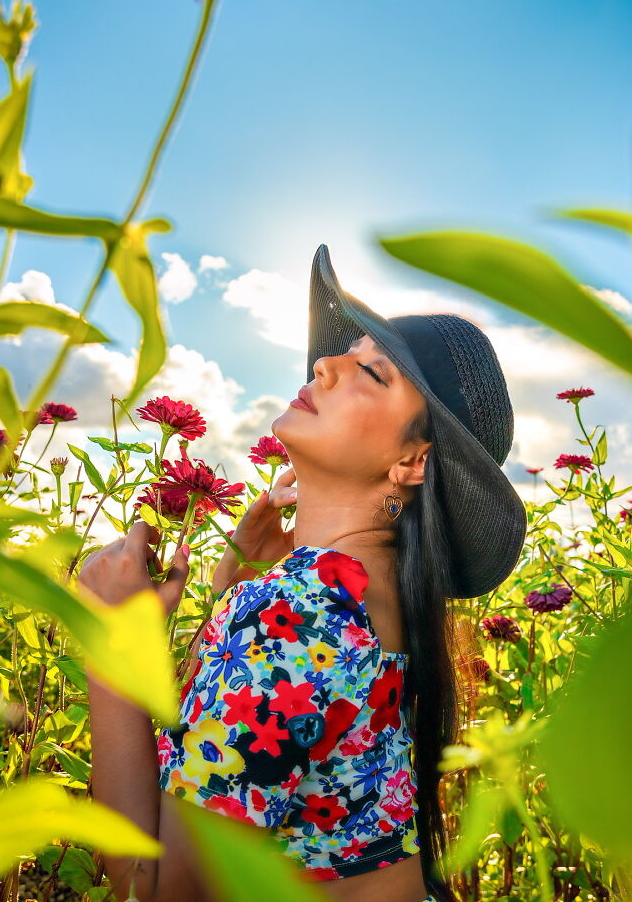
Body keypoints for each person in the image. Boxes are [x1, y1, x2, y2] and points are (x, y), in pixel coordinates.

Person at [78, 243, 527, 902]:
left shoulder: (302, 609)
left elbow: (153, 888)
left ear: (414, 461)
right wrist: (235, 588)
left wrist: (112, 644)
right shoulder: (367, 602)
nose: (324, 364)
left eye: (372, 373)